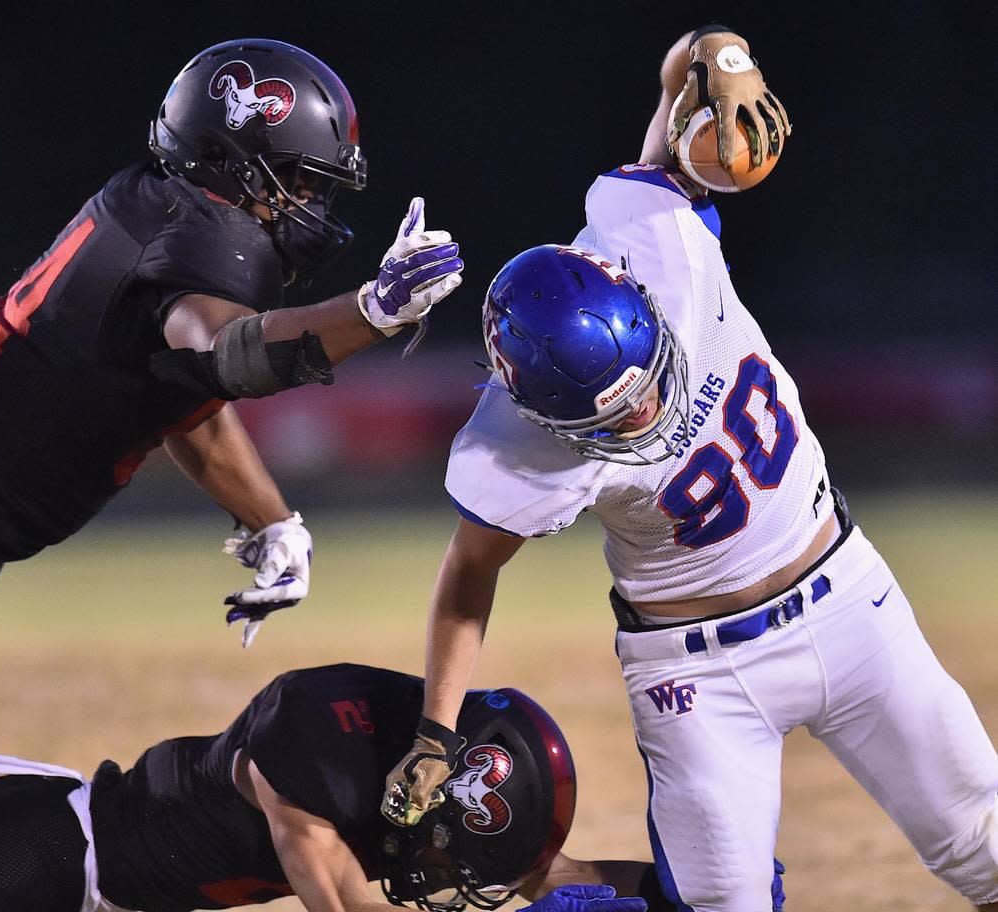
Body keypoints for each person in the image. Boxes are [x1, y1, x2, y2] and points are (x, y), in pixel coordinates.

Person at [381, 25, 998, 912]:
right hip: (698, 676)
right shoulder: (513, 440)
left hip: (853, 602)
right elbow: (468, 573)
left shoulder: (655, 235)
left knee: (984, 846)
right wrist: (437, 733)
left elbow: (688, 71)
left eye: (644, 388)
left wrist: (721, 57)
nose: (643, 413)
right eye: (610, 415)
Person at [0, 39, 464, 711]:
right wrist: (370, 311)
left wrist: (271, 521)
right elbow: (227, 352)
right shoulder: (205, 236)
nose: (309, 205)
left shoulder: (165, 207)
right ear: (225, 158)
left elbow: (180, 397)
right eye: (296, 180)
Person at [0, 663, 682, 912]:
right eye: (444, 843)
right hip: (27, 861)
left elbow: (545, 875)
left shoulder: (413, 779)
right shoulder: (312, 754)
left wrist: (689, 898)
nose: (441, 864)